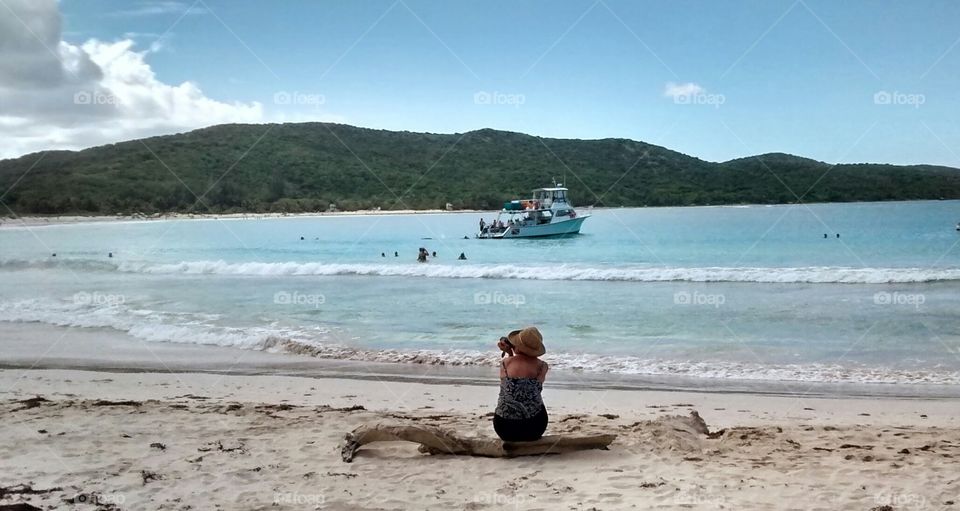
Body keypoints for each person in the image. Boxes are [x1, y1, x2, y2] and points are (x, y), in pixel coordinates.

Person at [493, 327, 549, 442]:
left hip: (503, 428)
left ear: (516, 346)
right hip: (533, 429)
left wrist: (509, 353)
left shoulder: (505, 363)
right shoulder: (542, 366)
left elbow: (508, 385)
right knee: (534, 400)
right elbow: (535, 389)